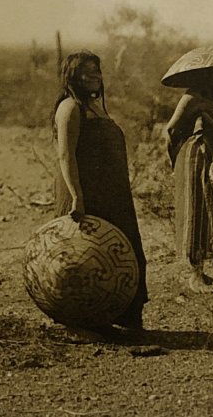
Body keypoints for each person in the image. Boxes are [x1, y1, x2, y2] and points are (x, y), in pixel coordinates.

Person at [53, 51, 147, 330]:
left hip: (113, 195)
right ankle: (87, 323)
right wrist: (77, 197)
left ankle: (123, 318)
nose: (95, 76)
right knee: (86, 259)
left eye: (97, 70)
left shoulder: (95, 107)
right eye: (87, 72)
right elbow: (65, 156)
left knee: (125, 254)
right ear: (72, 76)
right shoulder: (70, 107)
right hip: (87, 193)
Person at [165, 70, 213, 293]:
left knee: (211, 212)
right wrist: (176, 157)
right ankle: (194, 275)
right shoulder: (192, 97)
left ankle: (201, 270)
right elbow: (171, 129)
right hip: (196, 159)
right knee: (195, 212)